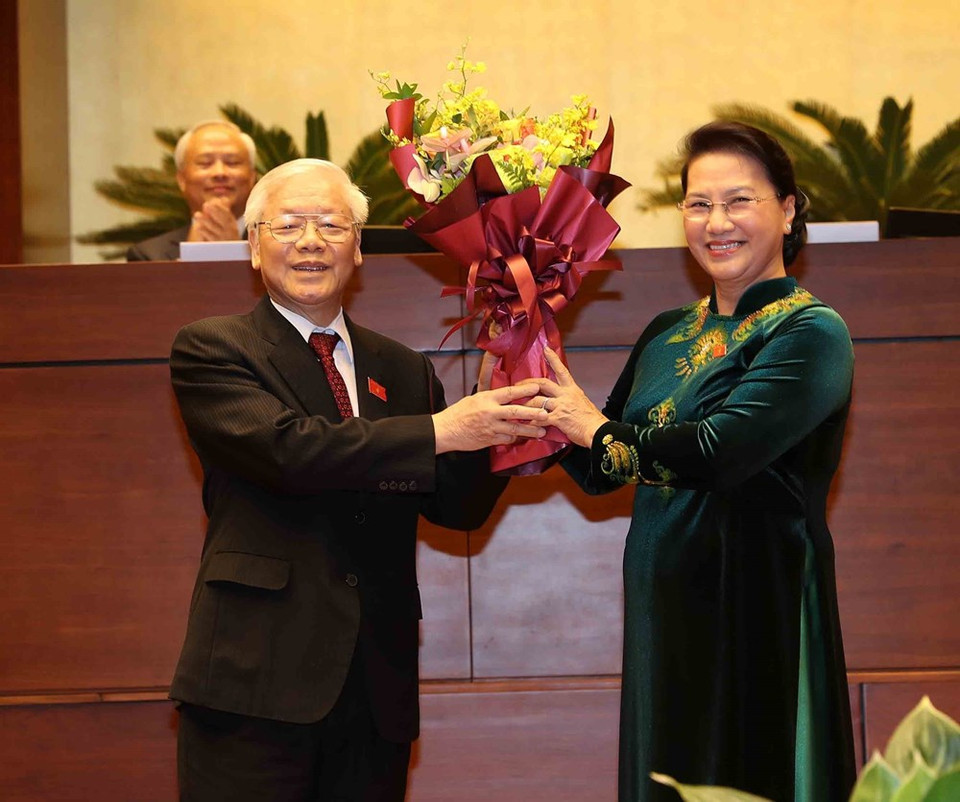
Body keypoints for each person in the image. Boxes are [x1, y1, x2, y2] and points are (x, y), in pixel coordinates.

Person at [168, 158, 547, 801]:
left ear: (359, 248)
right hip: (255, 682)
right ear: (254, 247)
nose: (311, 241)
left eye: (331, 225)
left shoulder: (400, 368)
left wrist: (512, 422)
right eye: (288, 225)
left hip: (375, 688)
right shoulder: (213, 349)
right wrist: (442, 431)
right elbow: (290, 452)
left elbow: (456, 507)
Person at [525, 122, 857, 801]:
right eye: (699, 204)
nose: (717, 222)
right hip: (665, 607)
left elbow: (718, 451)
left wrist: (589, 426)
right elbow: (601, 466)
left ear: (788, 209)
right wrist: (527, 385)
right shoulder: (666, 331)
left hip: (758, 603)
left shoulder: (810, 331)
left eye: (740, 201)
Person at [126, 120, 257, 261]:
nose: (219, 172)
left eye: (232, 162)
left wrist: (235, 251)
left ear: (252, 177)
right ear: (182, 180)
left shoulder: (277, 242)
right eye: (205, 163)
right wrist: (189, 259)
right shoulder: (149, 254)